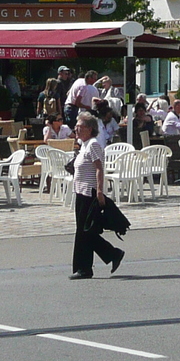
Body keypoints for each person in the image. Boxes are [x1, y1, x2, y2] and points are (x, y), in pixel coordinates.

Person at [70, 113, 124, 280]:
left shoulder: (93, 145)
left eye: (79, 126)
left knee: (85, 231)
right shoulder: (84, 145)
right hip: (80, 191)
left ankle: (85, 268)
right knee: (83, 231)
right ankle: (111, 255)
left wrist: (100, 191)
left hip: (90, 192)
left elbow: (99, 169)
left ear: (89, 129)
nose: (76, 129)